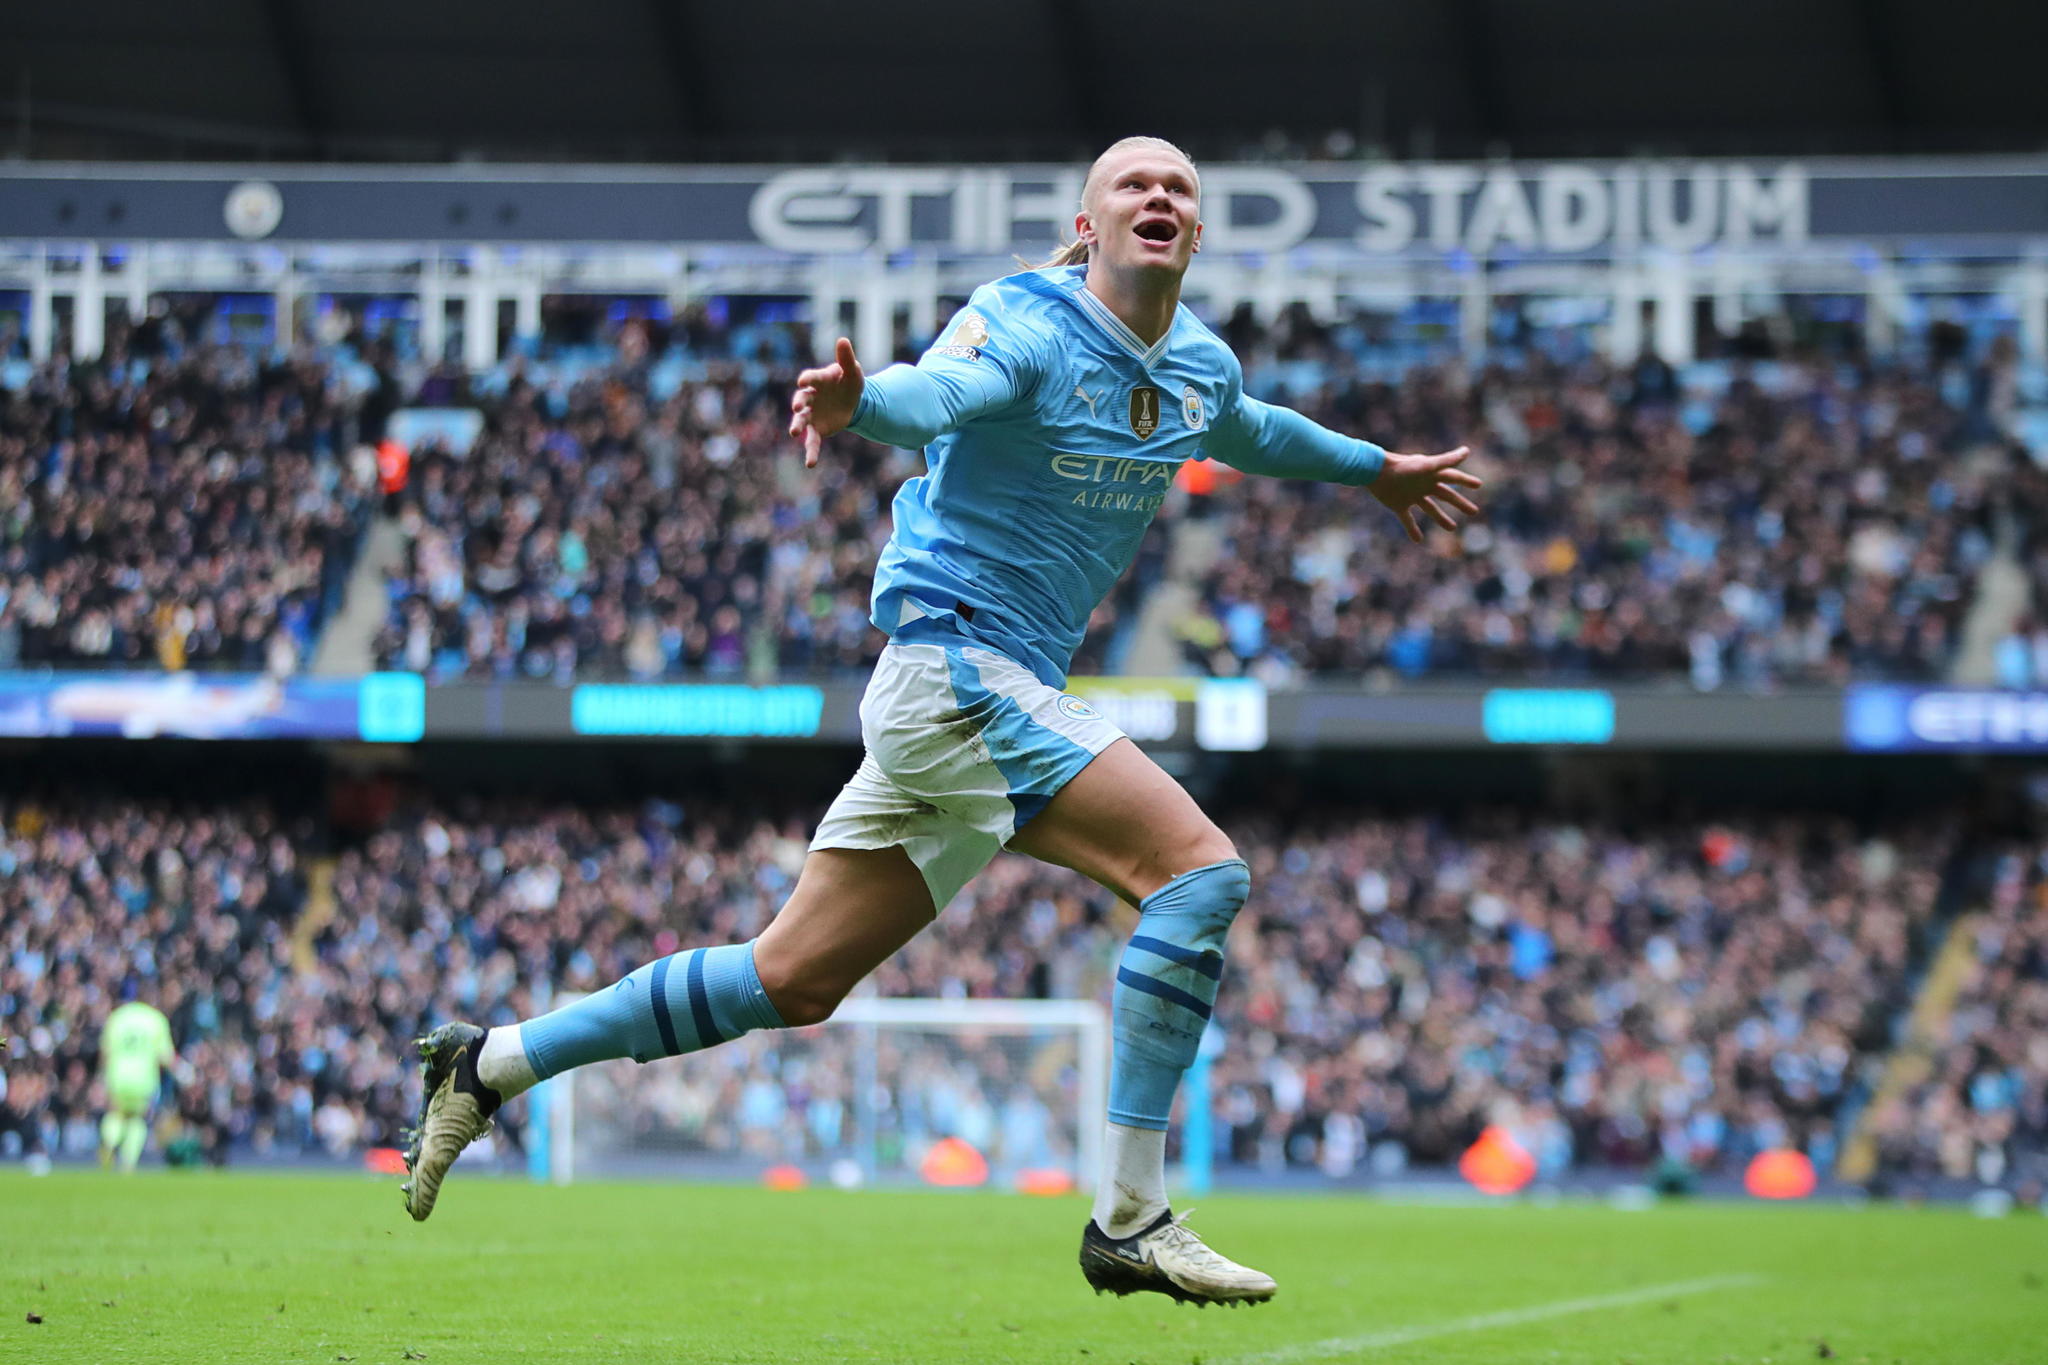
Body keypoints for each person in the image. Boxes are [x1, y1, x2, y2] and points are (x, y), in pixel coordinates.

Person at [400, 135, 1481, 1306]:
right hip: (956, 669)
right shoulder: (1022, 321)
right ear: (1086, 225)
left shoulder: (1198, 367)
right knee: (1197, 877)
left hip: (984, 692)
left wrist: (1375, 469)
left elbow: (1253, 429)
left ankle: (492, 1061)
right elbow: (940, 394)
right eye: (1133, 184)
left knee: (790, 981)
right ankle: (1131, 1215)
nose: (1157, 197)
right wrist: (868, 404)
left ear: (1196, 233)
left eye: (1177, 188)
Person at [99, 989, 178, 1173]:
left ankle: (109, 1141)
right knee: (137, 1118)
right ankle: (127, 1162)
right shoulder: (156, 1019)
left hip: (117, 1075)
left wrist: (102, 1077)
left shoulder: (117, 1017)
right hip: (143, 1078)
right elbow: (166, 1056)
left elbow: (105, 1050)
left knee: (116, 1114)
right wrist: (184, 1073)